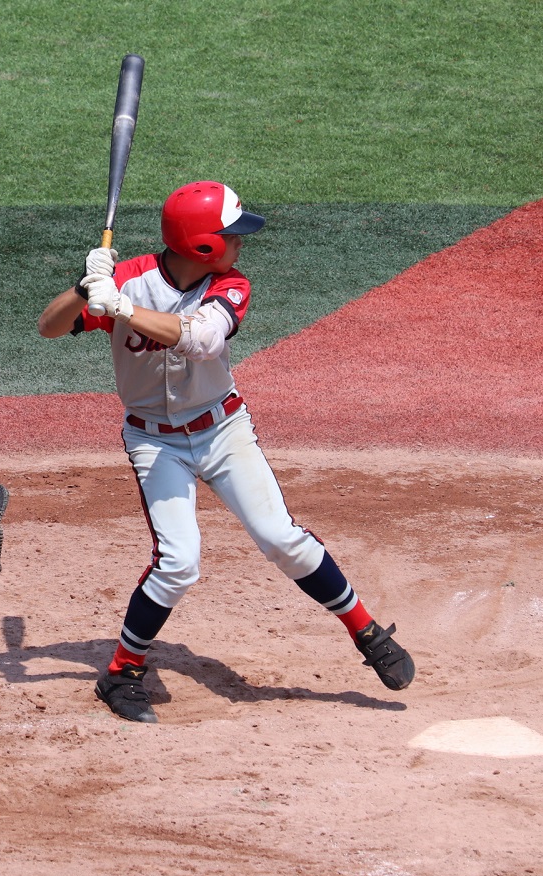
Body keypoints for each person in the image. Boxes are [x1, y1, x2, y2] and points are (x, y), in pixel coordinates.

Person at [36, 181, 415, 724]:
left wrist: (120, 307)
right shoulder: (128, 279)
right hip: (154, 440)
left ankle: (366, 631)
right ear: (203, 243)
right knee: (178, 562)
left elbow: (203, 339)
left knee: (281, 537)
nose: (240, 242)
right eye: (231, 234)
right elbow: (48, 327)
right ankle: (121, 672)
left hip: (223, 431)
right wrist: (83, 287)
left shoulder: (230, 284)